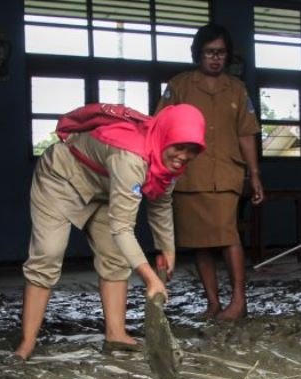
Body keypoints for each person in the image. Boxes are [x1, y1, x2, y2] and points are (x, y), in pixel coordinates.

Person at [15, 104, 206, 360]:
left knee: (114, 257)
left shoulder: (166, 164)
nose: (183, 156)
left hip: (106, 188)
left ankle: (116, 334)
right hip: (62, 179)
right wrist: (151, 278)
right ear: (165, 136)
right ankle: (26, 344)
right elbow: (123, 227)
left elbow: (161, 203)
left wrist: (167, 250)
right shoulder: (131, 157)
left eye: (192, 150)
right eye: (179, 147)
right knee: (48, 254)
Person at [156, 24, 264, 321]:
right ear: (198, 54)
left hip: (227, 174)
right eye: (209, 52)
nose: (215, 58)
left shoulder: (238, 89)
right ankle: (214, 303)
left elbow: (246, 134)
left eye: (221, 53)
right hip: (189, 175)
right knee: (199, 242)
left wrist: (254, 174)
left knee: (228, 236)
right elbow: (160, 127)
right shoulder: (179, 85)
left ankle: (239, 302)